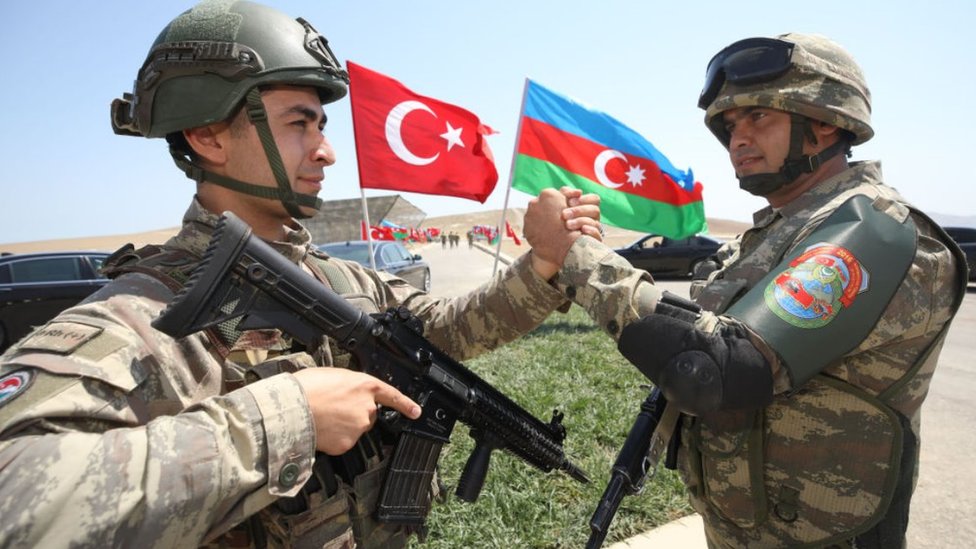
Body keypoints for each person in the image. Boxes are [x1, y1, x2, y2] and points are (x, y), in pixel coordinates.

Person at [0, 2, 602, 547]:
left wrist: (541, 260)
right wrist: (287, 417)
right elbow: (16, 500)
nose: (326, 151)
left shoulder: (346, 282)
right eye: (298, 124)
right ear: (208, 133)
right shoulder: (141, 317)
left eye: (322, 126)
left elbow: (449, 330)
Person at [525, 33, 967, 548]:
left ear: (824, 123)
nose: (738, 138)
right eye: (731, 125)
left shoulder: (875, 230)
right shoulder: (780, 231)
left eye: (759, 117)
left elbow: (717, 369)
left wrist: (577, 259)